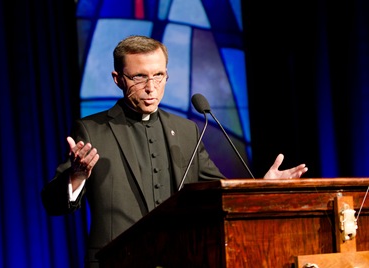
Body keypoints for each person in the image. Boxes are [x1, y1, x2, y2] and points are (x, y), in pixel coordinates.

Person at [41, 35, 308, 267]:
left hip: (182, 259)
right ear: (117, 79)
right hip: (117, 261)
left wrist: (262, 187)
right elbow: (52, 203)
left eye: (159, 75)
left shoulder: (186, 130)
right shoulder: (92, 131)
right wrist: (77, 176)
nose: (151, 87)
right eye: (139, 77)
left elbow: (218, 192)